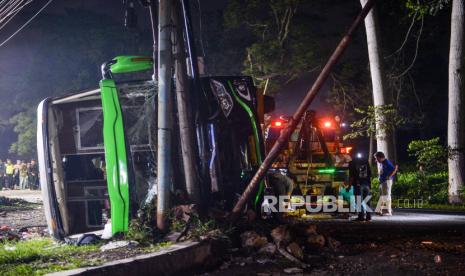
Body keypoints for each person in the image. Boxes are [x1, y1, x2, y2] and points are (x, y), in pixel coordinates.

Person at [374, 151, 398, 216]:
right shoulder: (382, 163)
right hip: (383, 181)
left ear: (380, 157)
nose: (376, 160)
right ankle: (383, 210)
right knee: (384, 196)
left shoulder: (386, 162)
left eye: (377, 158)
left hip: (386, 181)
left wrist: (389, 177)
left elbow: (394, 169)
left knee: (386, 196)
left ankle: (384, 210)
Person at [349, 154, 372, 221]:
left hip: (358, 184)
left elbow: (351, 176)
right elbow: (370, 173)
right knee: (367, 200)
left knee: (359, 201)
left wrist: (349, 186)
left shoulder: (352, 163)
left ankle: (361, 216)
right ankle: (368, 216)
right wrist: (370, 184)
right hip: (367, 184)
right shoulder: (366, 162)